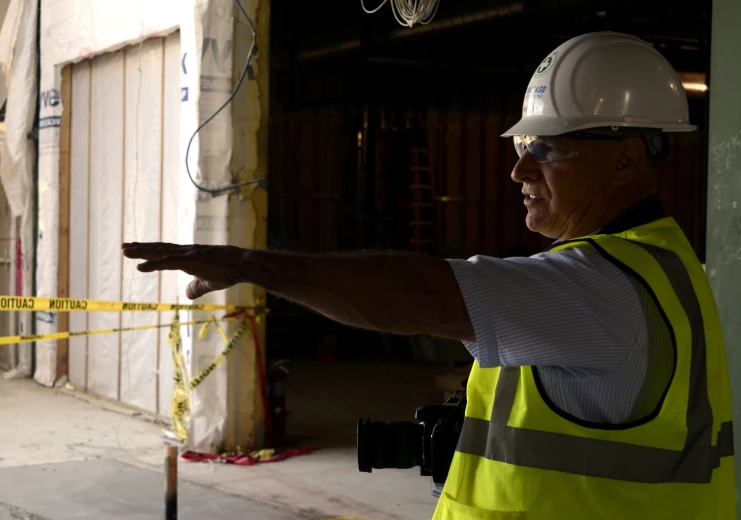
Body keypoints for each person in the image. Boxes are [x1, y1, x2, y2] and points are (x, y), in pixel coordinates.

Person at [123, 32, 736, 519]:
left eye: (549, 149)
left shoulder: (605, 289)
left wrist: (253, 265)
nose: (521, 171)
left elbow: (425, 297)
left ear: (626, 156)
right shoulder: (654, 266)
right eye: (522, 147)